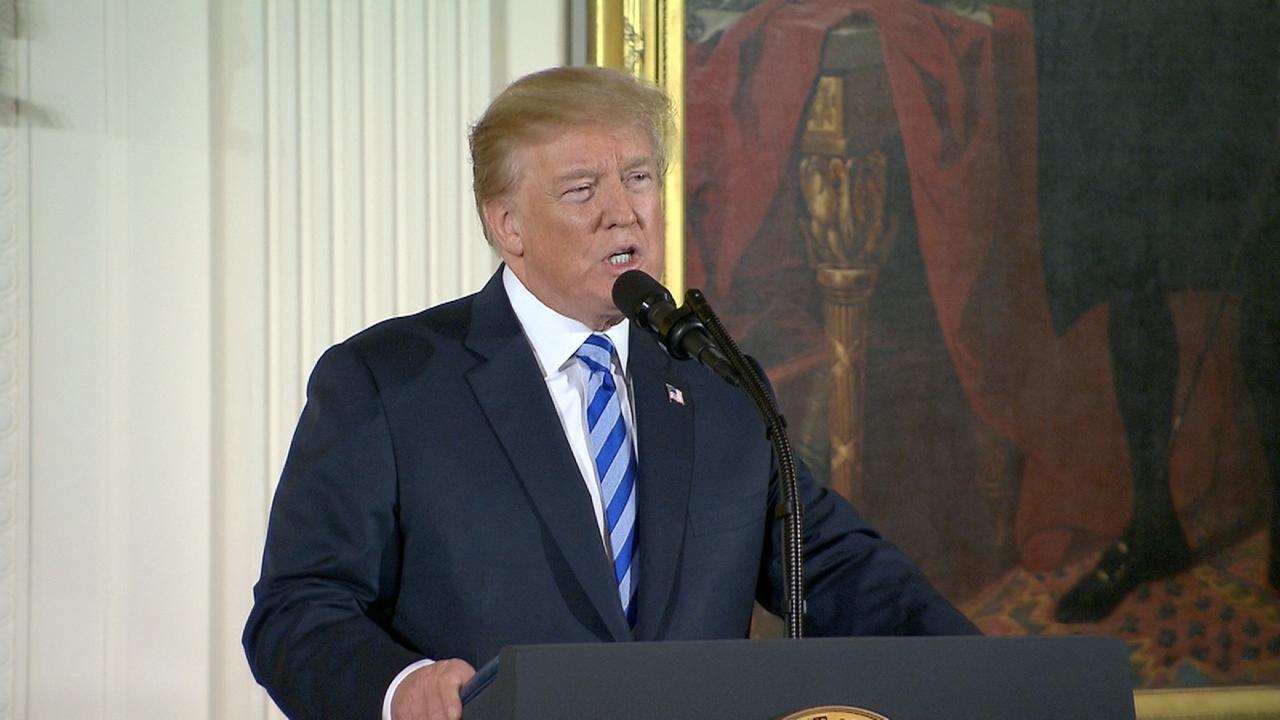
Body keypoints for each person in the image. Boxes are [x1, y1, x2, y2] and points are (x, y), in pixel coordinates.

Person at [243, 65, 978, 720]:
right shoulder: (388, 381)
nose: (622, 210)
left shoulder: (719, 382)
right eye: (581, 189)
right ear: (508, 225)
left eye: (638, 177)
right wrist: (400, 687)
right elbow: (298, 608)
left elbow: (838, 570)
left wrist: (989, 677)